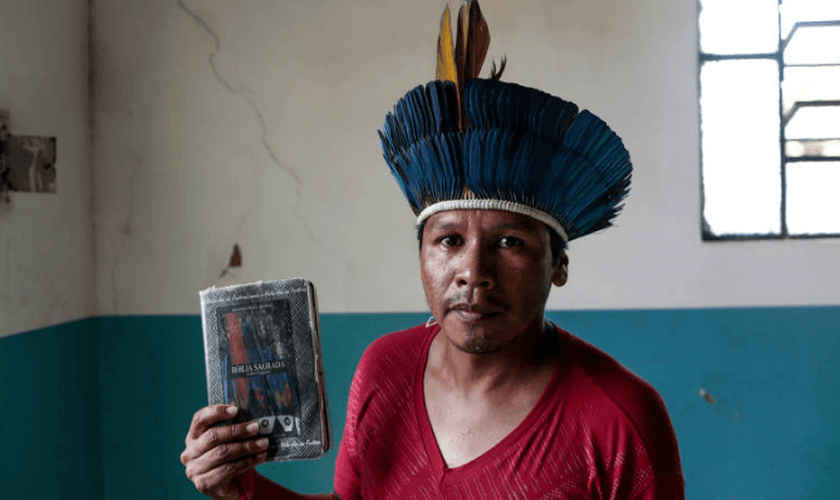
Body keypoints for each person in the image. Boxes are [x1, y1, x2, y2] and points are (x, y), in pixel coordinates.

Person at [181, 1, 685, 498]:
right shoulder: (384, 369)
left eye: (510, 242)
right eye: (449, 240)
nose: (473, 272)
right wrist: (242, 490)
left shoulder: (621, 420)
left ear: (559, 264)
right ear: (421, 252)